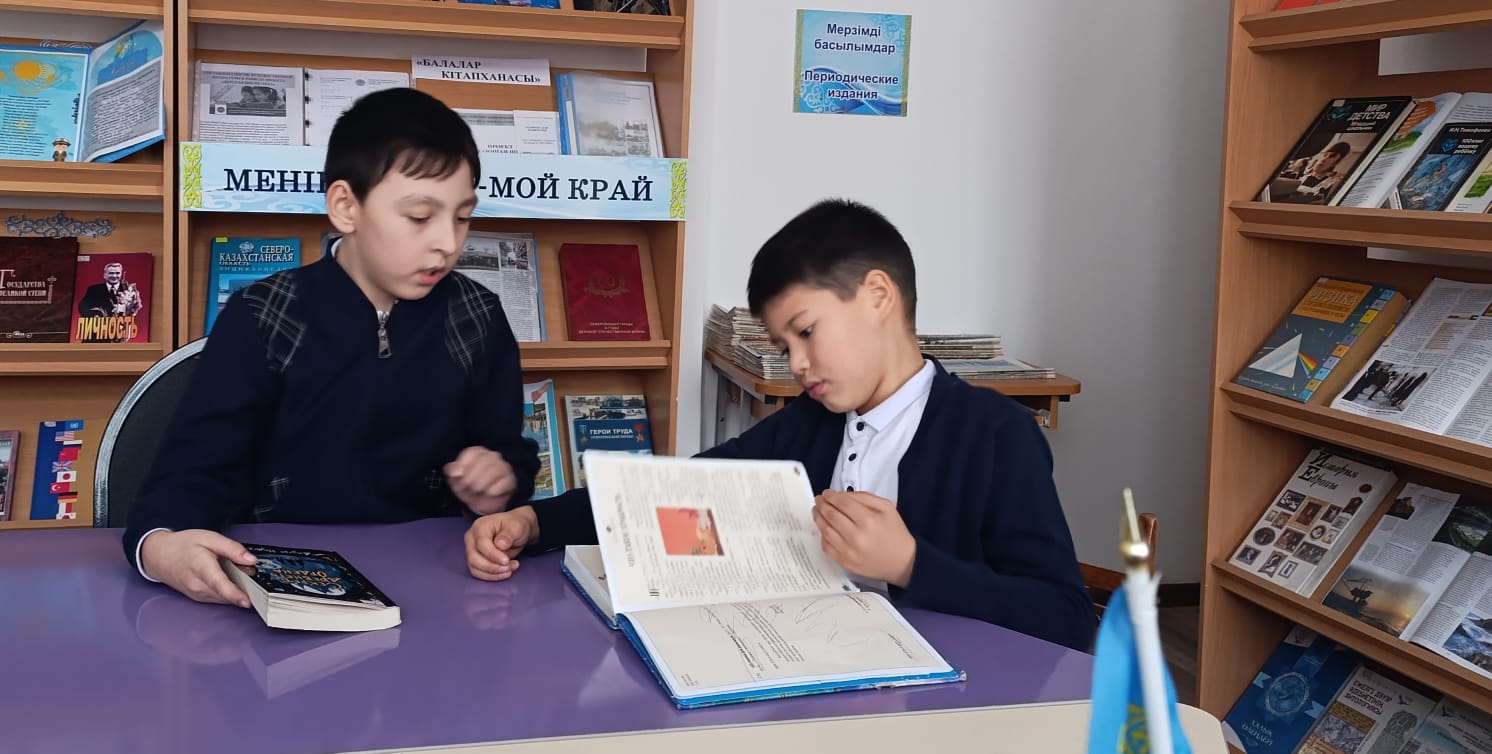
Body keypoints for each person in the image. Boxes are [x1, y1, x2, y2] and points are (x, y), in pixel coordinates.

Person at [463, 198, 1095, 651]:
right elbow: (677, 488)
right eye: (783, 344)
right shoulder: (811, 425)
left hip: (950, 707)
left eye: (807, 331)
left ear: (878, 296)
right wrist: (534, 522)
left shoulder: (995, 436)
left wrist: (909, 564)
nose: (795, 364)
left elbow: (1066, 617)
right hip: (799, 676)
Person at [124, 87, 540, 608]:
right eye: (419, 216)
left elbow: (510, 455)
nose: (448, 242)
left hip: (437, 582)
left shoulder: (477, 317)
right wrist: (161, 544)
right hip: (280, 578)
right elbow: (192, 469)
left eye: (461, 217)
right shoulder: (262, 315)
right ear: (346, 206)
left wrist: (501, 482)